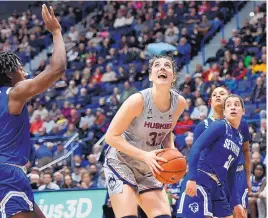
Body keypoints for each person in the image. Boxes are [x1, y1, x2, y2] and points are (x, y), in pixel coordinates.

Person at [0, 4, 66, 218]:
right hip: (8, 172)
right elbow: (57, 69)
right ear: (10, 73)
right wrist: (56, 32)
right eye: (21, 69)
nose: (26, 72)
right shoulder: (14, 93)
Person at [104, 55, 187, 218]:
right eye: (157, 65)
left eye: (167, 66)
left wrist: (172, 152)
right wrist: (144, 155)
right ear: (151, 76)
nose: (162, 68)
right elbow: (111, 137)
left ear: (173, 76)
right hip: (121, 161)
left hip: (150, 165)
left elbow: (167, 131)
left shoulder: (180, 103)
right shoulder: (137, 100)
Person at [183, 87, 251, 217]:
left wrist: (236, 203)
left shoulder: (238, 138)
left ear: (243, 111)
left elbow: (231, 174)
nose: (233, 108)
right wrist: (191, 178)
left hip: (218, 184)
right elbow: (196, 147)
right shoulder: (219, 125)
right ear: (224, 112)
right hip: (203, 178)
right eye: (229, 105)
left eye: (237, 105)